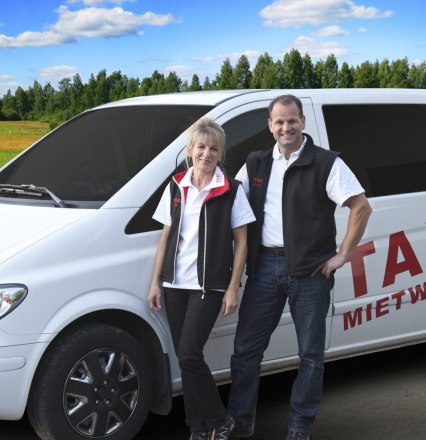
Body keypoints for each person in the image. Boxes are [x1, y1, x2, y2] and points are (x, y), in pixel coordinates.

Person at [228, 95, 372, 440]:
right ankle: (240, 422)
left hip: (309, 272)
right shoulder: (256, 162)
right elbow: (229, 201)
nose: (285, 127)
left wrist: (341, 255)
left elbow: (361, 207)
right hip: (264, 267)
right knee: (246, 350)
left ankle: (299, 427)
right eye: (279, 122)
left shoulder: (325, 163)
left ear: (302, 122)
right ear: (270, 125)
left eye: (291, 120)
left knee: (310, 355)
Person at [148, 117, 256, 440]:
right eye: (201, 147)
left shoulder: (231, 190)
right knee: (185, 358)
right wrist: (156, 281)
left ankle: (220, 419)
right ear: (190, 150)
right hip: (174, 286)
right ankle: (198, 427)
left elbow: (242, 243)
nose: (206, 154)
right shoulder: (175, 186)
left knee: (191, 354)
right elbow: (165, 237)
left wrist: (233, 286)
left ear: (220, 154)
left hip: (209, 287)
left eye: (213, 149)